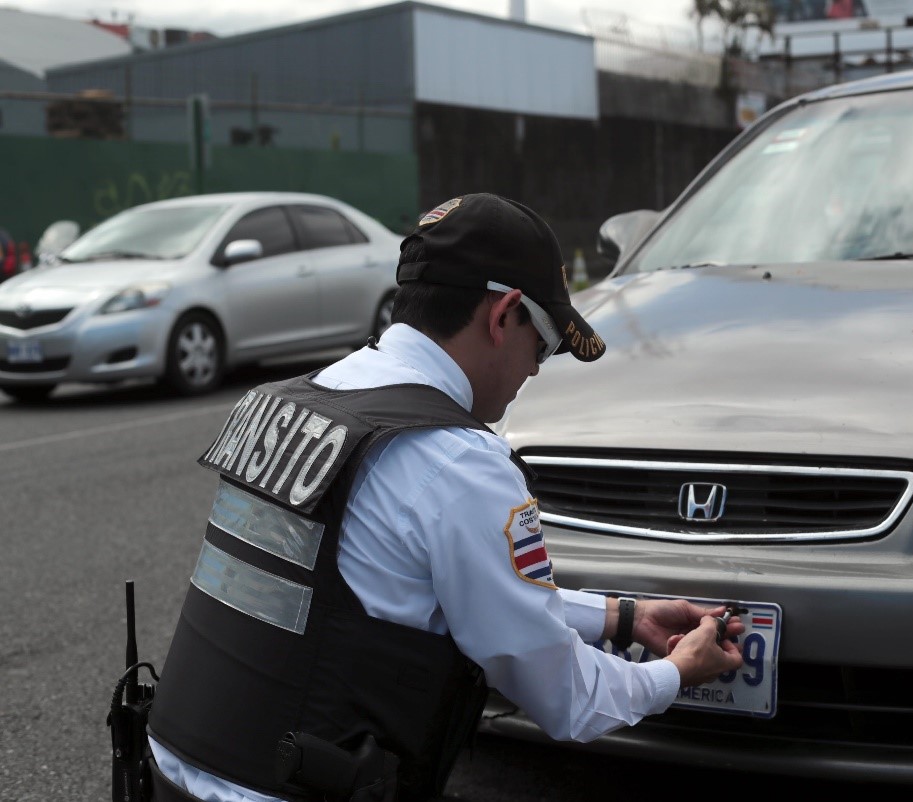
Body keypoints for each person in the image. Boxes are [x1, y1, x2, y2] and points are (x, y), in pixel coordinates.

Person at [144, 192, 745, 802]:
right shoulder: (458, 462)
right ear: (503, 313)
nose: (534, 371)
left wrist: (624, 616)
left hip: (174, 767)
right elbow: (567, 698)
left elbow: (410, 593)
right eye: (540, 346)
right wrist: (675, 674)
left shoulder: (296, 398)